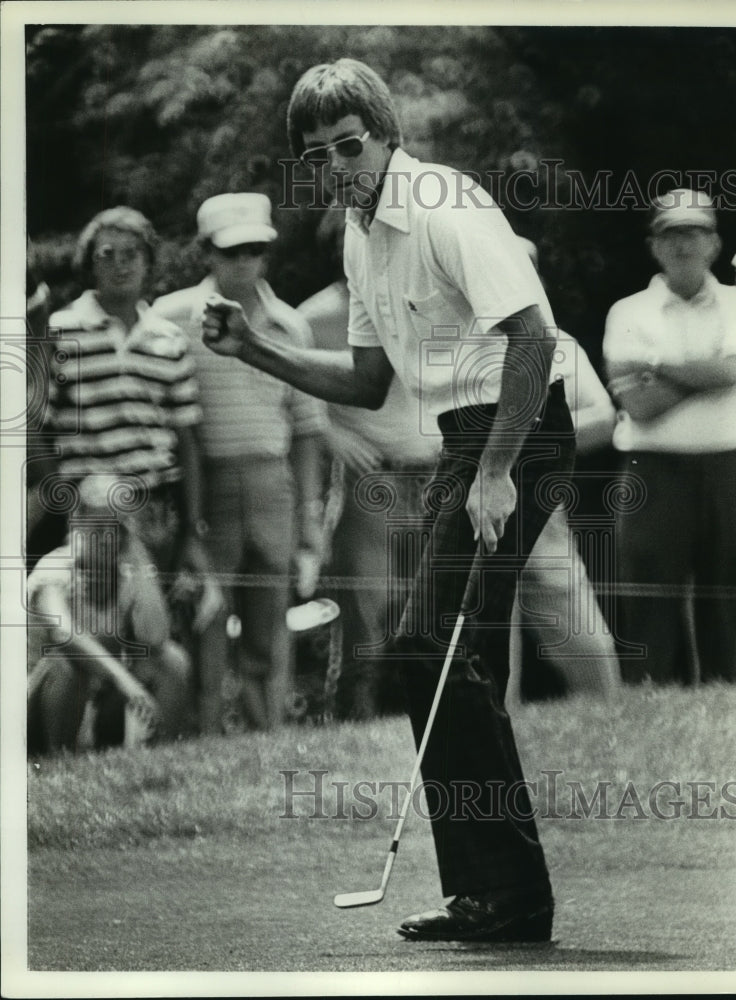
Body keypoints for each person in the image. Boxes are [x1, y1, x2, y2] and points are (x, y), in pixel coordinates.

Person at [203, 58, 575, 943]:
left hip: (520, 428)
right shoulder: (357, 233)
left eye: (351, 145)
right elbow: (369, 381)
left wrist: (495, 472)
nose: (338, 165)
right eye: (319, 153)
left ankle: (504, 893)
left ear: (386, 136)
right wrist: (255, 348)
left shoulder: (444, 205)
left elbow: (533, 337)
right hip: (462, 436)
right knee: (453, 654)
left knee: (423, 643)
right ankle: (498, 895)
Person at [42, 206, 220, 737]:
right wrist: (66, 496)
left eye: (133, 255)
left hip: (154, 506)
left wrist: (191, 528)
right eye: (108, 255)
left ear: (150, 262)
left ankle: (150, 751)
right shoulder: (60, 331)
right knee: (91, 628)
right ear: (89, 264)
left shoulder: (168, 338)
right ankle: (76, 743)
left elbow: (186, 439)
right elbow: (39, 429)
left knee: (151, 629)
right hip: (90, 509)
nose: (121, 266)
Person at [152, 193, 327, 732]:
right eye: (232, 251)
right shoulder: (172, 319)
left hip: (272, 482)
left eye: (255, 249)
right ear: (206, 252)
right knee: (205, 617)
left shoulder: (288, 325)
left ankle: (266, 733)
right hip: (205, 482)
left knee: (269, 622)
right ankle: (204, 735)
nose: (245, 261)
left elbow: (306, 431)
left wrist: (309, 521)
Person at [602, 188, 736, 685]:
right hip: (653, 471)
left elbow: (731, 371)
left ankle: (724, 697)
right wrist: (706, 371)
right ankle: (650, 704)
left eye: (695, 233)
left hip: (728, 466)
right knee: (649, 601)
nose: (684, 245)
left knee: (725, 597)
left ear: (714, 243)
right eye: (672, 235)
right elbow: (640, 406)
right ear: (654, 246)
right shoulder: (627, 311)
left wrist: (653, 365)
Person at [297, 212, 442, 718]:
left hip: (432, 472)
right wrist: (333, 436)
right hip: (369, 481)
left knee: (437, 611)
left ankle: (435, 720)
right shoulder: (313, 318)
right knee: (367, 618)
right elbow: (290, 397)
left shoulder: (421, 301)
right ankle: (354, 724)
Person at [509, 240, 621, 702]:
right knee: (491, 653)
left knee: (591, 651)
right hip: (466, 507)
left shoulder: (557, 343)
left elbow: (604, 420)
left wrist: (529, 439)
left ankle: (608, 735)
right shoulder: (448, 342)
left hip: (537, 507)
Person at [27, 475, 190, 754]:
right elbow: (64, 634)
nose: (106, 538)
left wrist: (137, 558)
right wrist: (124, 681)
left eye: (115, 527)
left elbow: (156, 637)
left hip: (98, 698)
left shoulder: (126, 568)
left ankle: (163, 756)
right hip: (35, 705)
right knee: (67, 664)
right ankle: (58, 760)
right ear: (76, 524)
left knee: (171, 661)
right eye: (98, 527)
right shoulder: (55, 567)